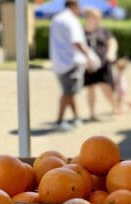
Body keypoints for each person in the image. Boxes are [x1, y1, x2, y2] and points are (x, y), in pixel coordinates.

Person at [50, 0, 91, 131]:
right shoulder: (71, 20)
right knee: (68, 93)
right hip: (71, 62)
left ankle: (76, 117)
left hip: (59, 62)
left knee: (70, 92)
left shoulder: (57, 19)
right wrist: (89, 56)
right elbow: (77, 41)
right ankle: (59, 121)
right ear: (74, 6)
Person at [84, 8, 119, 121]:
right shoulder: (82, 32)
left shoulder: (103, 30)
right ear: (89, 18)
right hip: (89, 66)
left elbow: (112, 42)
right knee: (90, 89)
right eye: (96, 17)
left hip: (103, 64)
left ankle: (115, 108)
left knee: (106, 88)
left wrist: (111, 53)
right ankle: (92, 114)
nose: (98, 20)